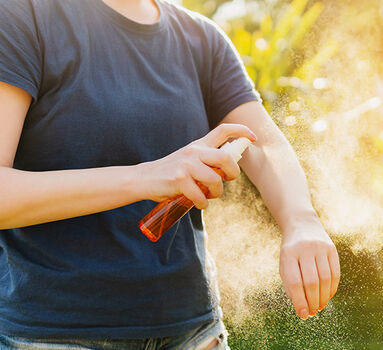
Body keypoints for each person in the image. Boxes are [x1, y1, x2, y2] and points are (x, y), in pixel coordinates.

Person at [0, 0, 340, 349]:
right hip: (54, 334)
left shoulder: (202, 39)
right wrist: (146, 177)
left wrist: (301, 219)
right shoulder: (22, 17)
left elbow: (261, 142)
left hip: (195, 334)